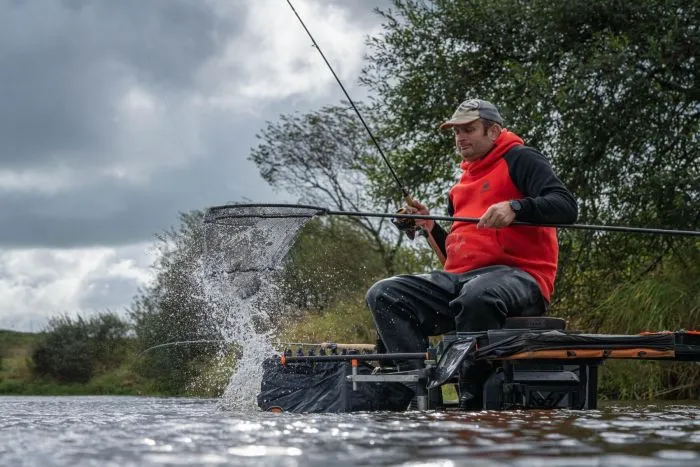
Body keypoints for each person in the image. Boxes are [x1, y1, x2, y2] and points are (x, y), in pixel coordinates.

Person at [365, 98, 578, 407]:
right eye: (456, 132)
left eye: (468, 130)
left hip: (522, 279)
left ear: (493, 131)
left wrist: (516, 207)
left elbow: (566, 206)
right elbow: (455, 257)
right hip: (465, 281)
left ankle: (471, 396)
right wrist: (429, 226)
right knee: (384, 293)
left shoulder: (521, 158)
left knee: (477, 295)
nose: (460, 138)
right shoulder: (461, 185)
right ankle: (416, 389)